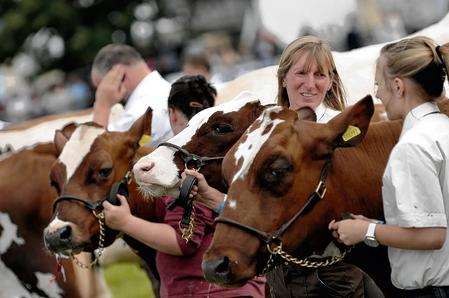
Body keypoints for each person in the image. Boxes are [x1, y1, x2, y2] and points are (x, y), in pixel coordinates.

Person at [188, 36, 383, 297]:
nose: (310, 84)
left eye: (320, 75)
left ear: (331, 81)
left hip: (333, 275)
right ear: (283, 77)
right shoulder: (263, 131)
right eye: (301, 73)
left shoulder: (341, 133)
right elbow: (264, 204)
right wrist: (215, 199)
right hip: (280, 275)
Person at [102, 75, 265, 297]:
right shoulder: (222, 152)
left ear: (172, 113)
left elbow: (183, 241)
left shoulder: (183, 162)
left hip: (206, 290)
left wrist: (126, 222)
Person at [329, 36, 449, 297]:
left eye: (378, 83)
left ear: (397, 86)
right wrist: (375, 226)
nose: (377, 93)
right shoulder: (443, 129)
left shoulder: (413, 146)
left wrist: (366, 230)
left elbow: (433, 235)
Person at [91, 43, 173, 146]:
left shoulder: (137, 114)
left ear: (120, 76)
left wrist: (102, 105)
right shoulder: (166, 90)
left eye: (101, 88)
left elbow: (96, 153)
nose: (101, 93)